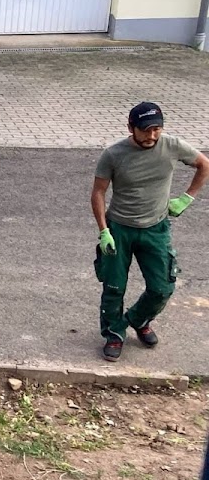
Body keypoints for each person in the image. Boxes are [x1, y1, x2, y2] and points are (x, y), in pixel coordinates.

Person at [91, 102, 209, 361]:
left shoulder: (172, 146)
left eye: (156, 129)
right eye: (145, 130)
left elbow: (204, 165)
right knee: (114, 287)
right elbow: (98, 192)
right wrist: (103, 231)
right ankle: (114, 334)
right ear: (130, 127)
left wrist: (186, 198)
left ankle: (138, 319)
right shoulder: (113, 154)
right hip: (119, 229)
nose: (151, 136)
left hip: (156, 229)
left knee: (162, 287)